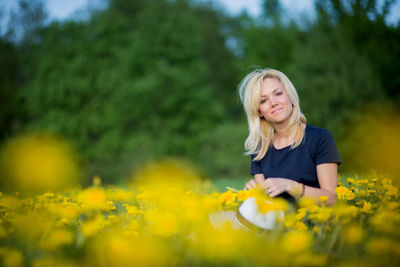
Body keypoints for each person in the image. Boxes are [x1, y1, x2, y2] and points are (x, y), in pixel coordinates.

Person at [238, 68, 341, 206]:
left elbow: (331, 199)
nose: (273, 102)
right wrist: (253, 194)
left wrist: (291, 186)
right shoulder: (259, 149)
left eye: (278, 93)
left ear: (290, 96)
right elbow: (266, 206)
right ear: (259, 111)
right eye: (263, 100)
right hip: (279, 226)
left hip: (316, 224)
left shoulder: (320, 138)